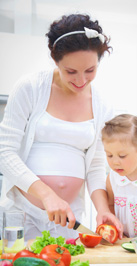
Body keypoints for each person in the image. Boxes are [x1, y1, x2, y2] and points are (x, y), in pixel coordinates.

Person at [0, 14, 123, 240]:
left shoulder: (102, 104)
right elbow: (4, 152)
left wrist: (103, 210)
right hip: (24, 214)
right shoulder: (30, 88)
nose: (81, 80)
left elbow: (95, 165)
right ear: (55, 60)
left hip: (70, 218)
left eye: (90, 70)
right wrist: (46, 195)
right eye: (71, 71)